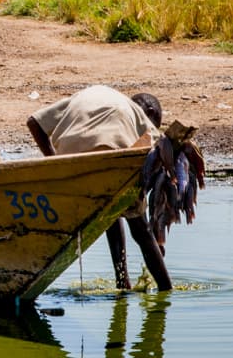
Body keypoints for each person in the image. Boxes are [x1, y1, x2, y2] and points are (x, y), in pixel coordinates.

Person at [26, 85, 172, 292]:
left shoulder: (90, 94)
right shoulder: (139, 115)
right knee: (141, 228)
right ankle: (166, 289)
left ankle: (122, 282)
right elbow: (156, 157)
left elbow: (33, 122)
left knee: (110, 211)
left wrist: (55, 163)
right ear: (149, 113)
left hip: (73, 163)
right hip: (114, 159)